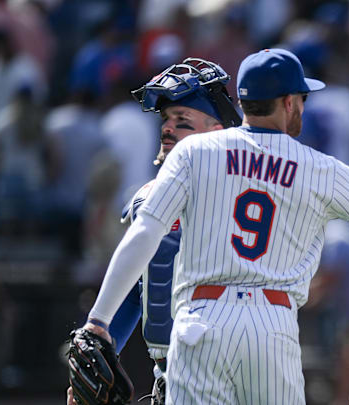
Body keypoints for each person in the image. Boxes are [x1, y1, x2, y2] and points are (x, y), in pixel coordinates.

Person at [74, 49, 349, 405]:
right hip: (272, 323)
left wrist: (98, 320)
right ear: (287, 102)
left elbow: (144, 233)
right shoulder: (319, 168)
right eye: (301, 97)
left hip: (201, 320)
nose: (302, 105)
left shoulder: (194, 152)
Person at [67, 57, 242, 405]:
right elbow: (138, 289)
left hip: (233, 373)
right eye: (166, 119)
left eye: (182, 121)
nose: (167, 128)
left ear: (216, 132)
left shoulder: (242, 194)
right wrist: (103, 343)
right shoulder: (146, 198)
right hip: (170, 377)